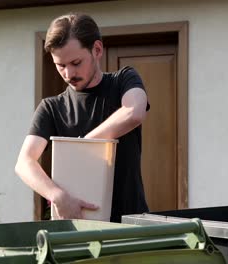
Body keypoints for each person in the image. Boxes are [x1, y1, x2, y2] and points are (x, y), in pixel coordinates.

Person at [15, 13, 149, 223]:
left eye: (76, 63)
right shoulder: (51, 107)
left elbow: (134, 112)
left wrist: (82, 147)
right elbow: (24, 162)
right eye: (60, 65)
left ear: (97, 50)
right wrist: (56, 195)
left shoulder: (124, 80)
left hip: (131, 226)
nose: (68, 73)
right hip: (74, 230)